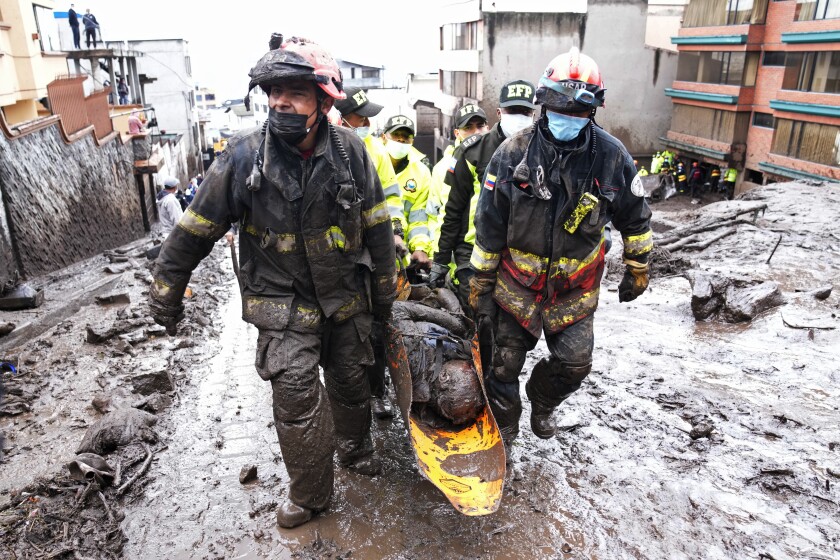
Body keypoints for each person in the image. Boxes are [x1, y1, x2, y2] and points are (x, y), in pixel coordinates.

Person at [149, 37, 396, 529]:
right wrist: (166, 293)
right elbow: (194, 231)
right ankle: (310, 495)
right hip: (283, 306)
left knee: (350, 385)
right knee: (296, 398)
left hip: (345, 297)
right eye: (274, 92)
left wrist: (385, 298)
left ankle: (353, 448)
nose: (280, 102)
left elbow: (377, 228)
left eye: (295, 93)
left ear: (324, 101)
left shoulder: (351, 153)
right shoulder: (242, 158)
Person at [469, 47, 653, 446]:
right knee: (502, 367)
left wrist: (638, 265)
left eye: (576, 111)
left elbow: (635, 216)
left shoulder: (611, 157)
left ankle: (542, 400)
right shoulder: (512, 154)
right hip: (516, 287)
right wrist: (479, 280)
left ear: (593, 110)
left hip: (574, 289)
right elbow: (488, 223)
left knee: (574, 365)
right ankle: (507, 432)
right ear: (543, 103)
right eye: (558, 108)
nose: (566, 118)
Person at [431, 81, 536, 308]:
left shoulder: (542, 150)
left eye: (525, 112)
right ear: (499, 112)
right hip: (473, 251)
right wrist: (440, 262)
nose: (519, 117)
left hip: (524, 253)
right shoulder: (473, 151)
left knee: (514, 327)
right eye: (512, 111)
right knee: (479, 315)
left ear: (533, 114)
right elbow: (452, 210)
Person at [334, 87, 404, 420]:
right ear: (341, 117)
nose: (366, 124)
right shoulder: (325, 148)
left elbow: (391, 198)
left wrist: (397, 233)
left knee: (375, 325)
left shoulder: (374, 150)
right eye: (360, 118)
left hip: (368, 253)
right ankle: (341, 395)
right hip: (334, 259)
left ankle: (378, 391)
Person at [381, 115, 432, 272]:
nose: (401, 140)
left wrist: (420, 247)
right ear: (384, 137)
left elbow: (419, 218)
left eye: (406, 136)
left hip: (402, 258)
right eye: (396, 135)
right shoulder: (371, 162)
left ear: (412, 141)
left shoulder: (421, 172)